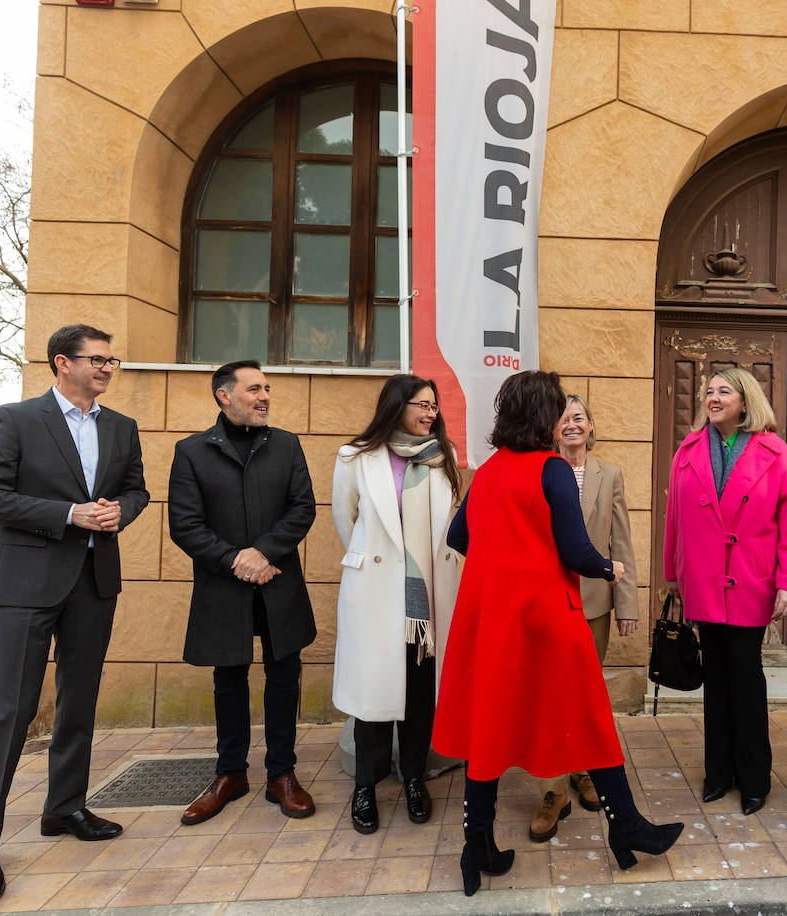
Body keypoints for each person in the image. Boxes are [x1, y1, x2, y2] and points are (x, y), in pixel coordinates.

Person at [432, 370, 682, 897]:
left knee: (490, 727)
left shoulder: (490, 471)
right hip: (549, 616)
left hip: (494, 620)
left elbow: (460, 537)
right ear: (545, 416)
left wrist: (506, 564)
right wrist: (611, 569)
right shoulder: (551, 470)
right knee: (588, 717)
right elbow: (576, 552)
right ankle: (626, 826)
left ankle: (475, 845)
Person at [0, 324, 149, 905]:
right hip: (24, 587)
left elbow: (137, 489)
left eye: (112, 359)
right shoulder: (13, 419)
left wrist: (122, 510)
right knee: (8, 714)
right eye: (97, 359)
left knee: (79, 705)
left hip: (93, 584)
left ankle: (64, 809)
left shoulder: (121, 427)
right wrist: (68, 513)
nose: (107, 368)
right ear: (62, 363)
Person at [169, 360, 318, 826]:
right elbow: (185, 525)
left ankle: (282, 775)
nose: (265, 396)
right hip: (224, 585)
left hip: (278, 583)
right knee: (228, 679)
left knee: (283, 675)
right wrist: (237, 559)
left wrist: (263, 553)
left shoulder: (287, 445)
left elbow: (302, 509)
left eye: (267, 388)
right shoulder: (191, 451)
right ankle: (230, 774)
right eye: (254, 389)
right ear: (224, 395)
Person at [662, 367, 787, 816]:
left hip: (751, 580)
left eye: (724, 390)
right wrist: (673, 574)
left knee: (746, 679)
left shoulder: (776, 453)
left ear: (746, 402)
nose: (713, 396)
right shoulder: (687, 450)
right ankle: (717, 773)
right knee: (715, 681)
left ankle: (754, 779)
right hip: (704, 582)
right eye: (708, 391)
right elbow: (674, 519)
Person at [331, 374, 462, 834]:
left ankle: (413, 779)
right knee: (372, 699)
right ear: (396, 405)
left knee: (420, 696)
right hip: (375, 596)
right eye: (421, 405)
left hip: (426, 603)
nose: (431, 413)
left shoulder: (442, 457)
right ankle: (364, 786)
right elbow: (346, 521)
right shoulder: (356, 458)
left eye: (434, 406)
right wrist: (380, 566)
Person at [528, 394, 640, 841]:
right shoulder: (537, 470)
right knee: (549, 695)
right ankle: (553, 791)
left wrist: (627, 604)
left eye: (579, 417)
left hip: (593, 603)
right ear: (552, 429)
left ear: (591, 426)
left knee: (585, 694)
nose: (571, 425)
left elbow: (621, 542)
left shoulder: (608, 474)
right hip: (546, 603)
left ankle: (584, 770)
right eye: (563, 419)